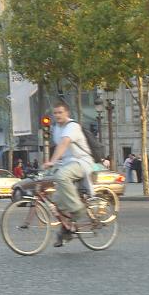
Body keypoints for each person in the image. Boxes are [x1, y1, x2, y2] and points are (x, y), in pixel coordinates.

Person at [42, 100, 95, 247]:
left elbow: (64, 143)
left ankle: (78, 209)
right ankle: (67, 230)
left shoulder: (72, 126)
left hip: (81, 162)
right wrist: (48, 166)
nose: (57, 115)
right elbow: (59, 148)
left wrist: (52, 161)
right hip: (66, 163)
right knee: (57, 202)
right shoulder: (56, 128)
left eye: (60, 112)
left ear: (67, 113)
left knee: (62, 176)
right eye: (55, 113)